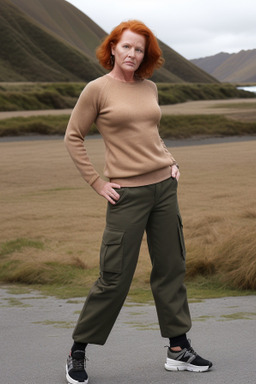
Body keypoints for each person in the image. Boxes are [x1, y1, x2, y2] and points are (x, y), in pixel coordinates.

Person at [64, 19, 212, 384]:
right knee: (114, 277)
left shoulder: (150, 88)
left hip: (164, 190)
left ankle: (178, 349)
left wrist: (172, 161)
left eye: (139, 49)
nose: (132, 54)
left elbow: (151, 134)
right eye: (126, 46)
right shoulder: (96, 90)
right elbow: (73, 136)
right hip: (125, 196)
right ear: (112, 47)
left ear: (147, 55)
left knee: (171, 268)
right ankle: (77, 350)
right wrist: (98, 183)